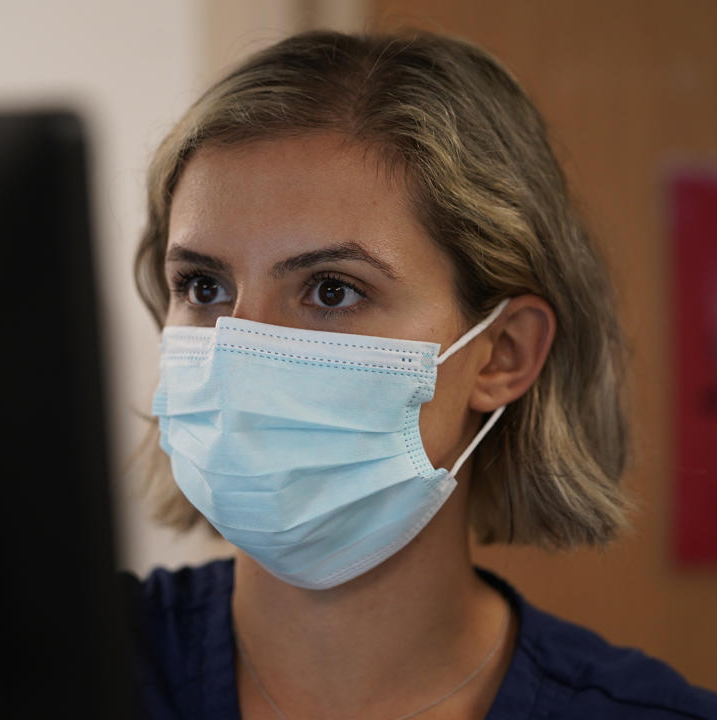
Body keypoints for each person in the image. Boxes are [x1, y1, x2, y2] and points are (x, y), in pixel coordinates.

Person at [120, 29, 717, 720]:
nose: (238, 348)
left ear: (502, 354)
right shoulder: (39, 673)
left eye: (332, 290)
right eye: (201, 285)